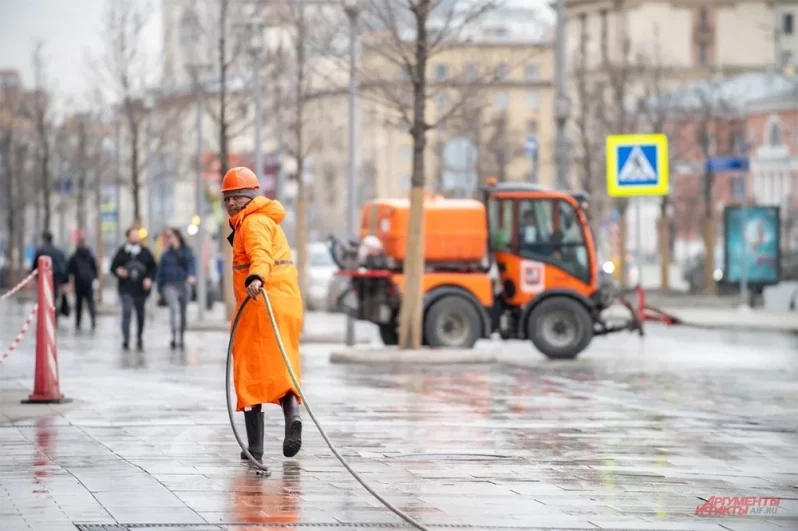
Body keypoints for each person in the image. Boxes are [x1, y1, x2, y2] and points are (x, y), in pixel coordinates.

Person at [221, 166, 304, 461]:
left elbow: (260, 255)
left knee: (249, 371)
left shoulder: (253, 223)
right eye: (227, 198)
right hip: (284, 303)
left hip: (260, 303)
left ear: (251, 197)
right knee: (282, 366)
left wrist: (255, 277)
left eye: (238, 196)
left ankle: (255, 447)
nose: (232, 203)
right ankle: (292, 416)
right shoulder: (265, 220)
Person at [110, 227, 158, 351]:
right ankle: (126, 338)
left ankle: (139, 336)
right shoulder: (122, 252)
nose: (136, 237)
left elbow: (153, 268)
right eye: (133, 235)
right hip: (126, 288)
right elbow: (113, 267)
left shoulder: (145, 252)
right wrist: (118, 271)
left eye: (137, 235)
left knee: (140, 313)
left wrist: (149, 279)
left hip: (141, 289)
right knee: (126, 311)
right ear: (128, 237)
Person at [156, 228, 196, 349]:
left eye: (172, 237)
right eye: (168, 238)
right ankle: (174, 336)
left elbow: (192, 265)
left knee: (183, 312)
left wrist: (191, 276)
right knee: (174, 309)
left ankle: (181, 336)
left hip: (183, 284)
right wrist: (159, 289)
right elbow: (160, 272)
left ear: (178, 237)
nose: (170, 239)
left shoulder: (186, 252)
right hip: (170, 285)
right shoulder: (165, 255)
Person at [31, 231, 68, 322]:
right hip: (56, 278)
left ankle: (45, 316)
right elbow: (64, 265)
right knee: (54, 297)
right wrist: (64, 280)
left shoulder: (40, 250)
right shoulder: (59, 251)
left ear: (44, 238)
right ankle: (53, 314)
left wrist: (34, 276)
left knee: (43, 297)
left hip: (43, 278)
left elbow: (35, 265)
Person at [67, 237, 98, 331]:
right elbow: (95, 267)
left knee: (79, 303)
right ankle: (93, 321)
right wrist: (94, 278)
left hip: (78, 282)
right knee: (90, 303)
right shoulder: (90, 255)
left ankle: (78, 323)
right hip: (88, 282)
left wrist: (68, 280)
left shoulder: (74, 255)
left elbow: (70, 269)